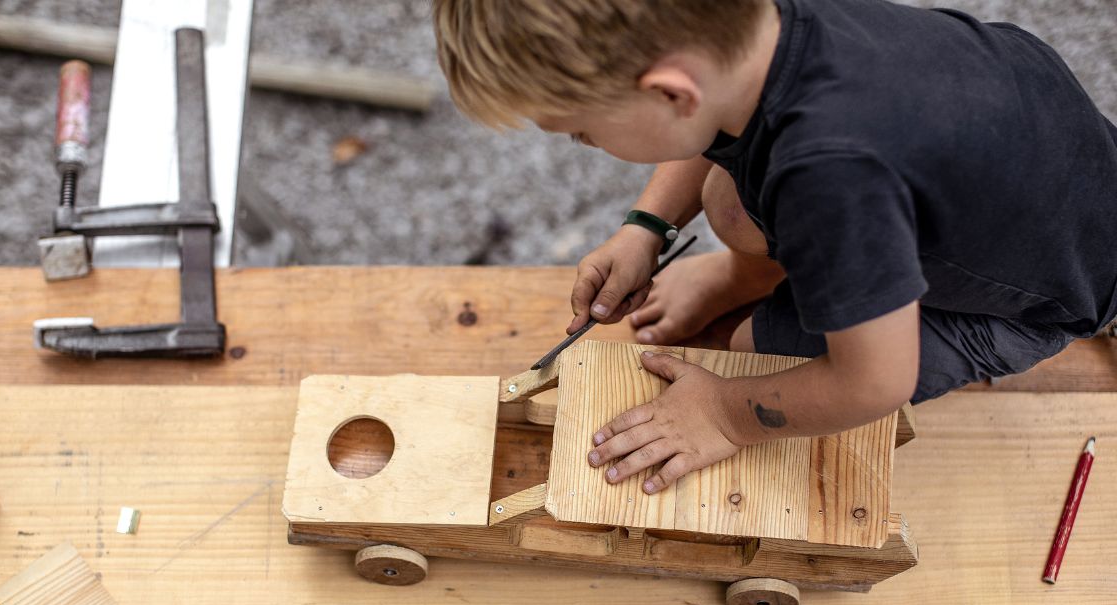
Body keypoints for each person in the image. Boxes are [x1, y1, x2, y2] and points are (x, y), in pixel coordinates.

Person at [433, 0, 1117, 494]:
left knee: (751, 354)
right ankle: (742, 276)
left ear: (670, 92)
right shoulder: (767, 27)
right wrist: (646, 227)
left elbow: (876, 383)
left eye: (581, 132)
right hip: (1036, 179)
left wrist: (725, 416)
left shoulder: (832, 176)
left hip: (1039, 300)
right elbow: (709, 129)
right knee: (729, 200)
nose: (585, 145)